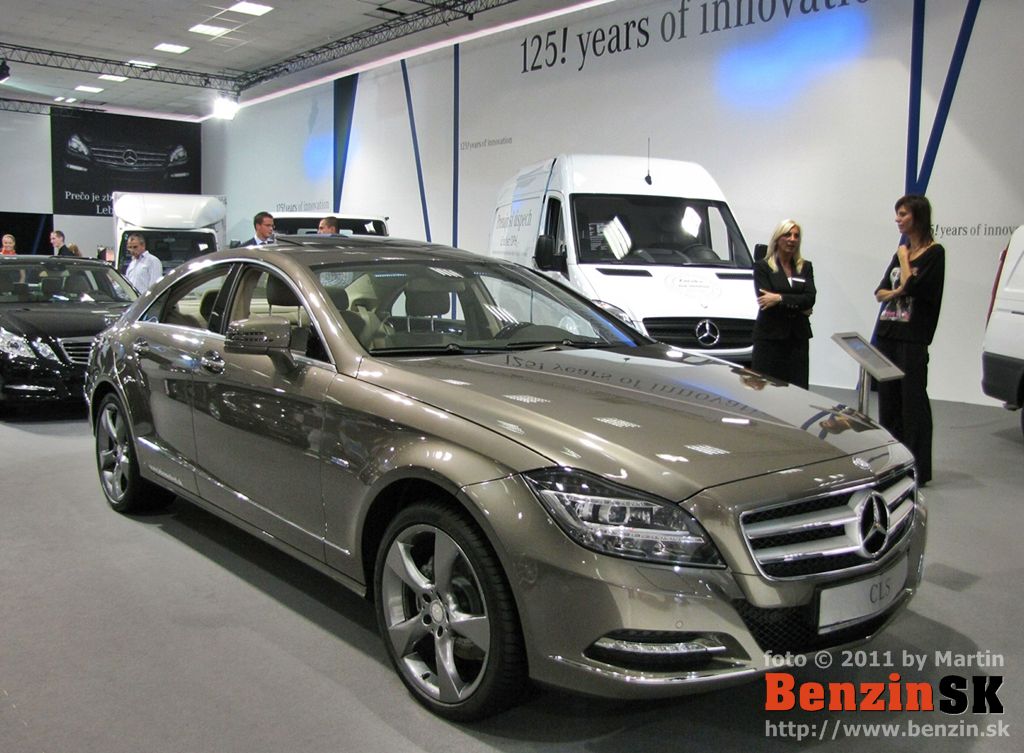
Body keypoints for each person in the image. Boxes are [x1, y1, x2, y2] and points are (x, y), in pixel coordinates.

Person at [873, 194, 945, 486]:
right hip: (888, 334)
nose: (898, 219)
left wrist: (904, 263)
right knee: (889, 401)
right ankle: (893, 463)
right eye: (897, 214)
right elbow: (880, 291)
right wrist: (897, 290)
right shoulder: (901, 251)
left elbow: (913, 286)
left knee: (913, 402)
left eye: (903, 214)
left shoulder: (934, 253)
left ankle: (918, 467)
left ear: (917, 216)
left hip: (912, 338)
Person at [751, 219, 816, 389]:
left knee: (797, 390)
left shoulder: (805, 267)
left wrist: (779, 298)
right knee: (767, 389)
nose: (792, 239)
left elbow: (810, 298)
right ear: (777, 238)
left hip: (797, 338)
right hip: (770, 338)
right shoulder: (763, 267)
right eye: (787, 234)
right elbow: (764, 299)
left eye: (796, 236)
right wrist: (798, 305)